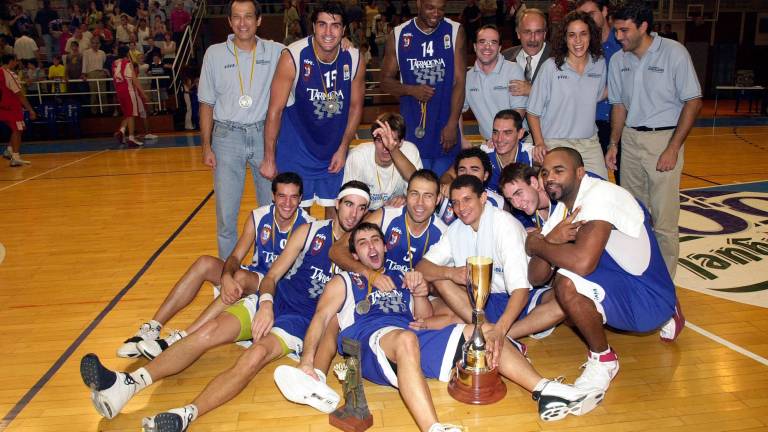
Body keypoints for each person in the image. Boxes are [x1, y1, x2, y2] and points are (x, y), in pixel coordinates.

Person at [79, 181, 371, 432]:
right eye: (348, 204)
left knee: (254, 356)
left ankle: (186, 414)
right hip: (273, 301)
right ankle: (126, 385)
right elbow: (271, 276)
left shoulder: (368, 249)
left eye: (360, 208)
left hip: (298, 325)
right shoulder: (310, 231)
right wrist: (266, 304)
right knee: (208, 332)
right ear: (337, 203)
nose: (353, 213)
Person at [291, 223, 604, 430]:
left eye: (375, 241)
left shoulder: (402, 280)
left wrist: (418, 292)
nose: (370, 247)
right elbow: (320, 321)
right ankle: (433, 427)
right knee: (405, 340)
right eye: (362, 243)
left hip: (408, 337)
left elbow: (423, 317)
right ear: (355, 253)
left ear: (385, 248)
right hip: (367, 341)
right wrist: (307, 363)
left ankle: (544, 390)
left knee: (479, 331)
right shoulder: (344, 280)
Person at [525, 147, 684, 397]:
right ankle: (668, 310)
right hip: (624, 280)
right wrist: (550, 240)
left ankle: (603, 359)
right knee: (562, 282)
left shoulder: (600, 195)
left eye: (559, 170)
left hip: (648, 296)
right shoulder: (564, 209)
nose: (549, 178)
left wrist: (540, 244)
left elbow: (582, 263)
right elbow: (535, 276)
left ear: (580, 173)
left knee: (567, 280)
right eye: (545, 173)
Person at [116, 173, 312, 359]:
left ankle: (181, 338)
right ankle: (152, 327)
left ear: (301, 198)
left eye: (293, 197)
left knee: (241, 277)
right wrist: (226, 277)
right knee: (205, 263)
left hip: (279, 290)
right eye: (282, 196)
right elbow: (235, 256)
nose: (287, 203)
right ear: (273, 196)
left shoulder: (308, 227)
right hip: (253, 277)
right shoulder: (259, 216)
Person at [606, 1, 702, 277]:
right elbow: (619, 105)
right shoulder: (618, 60)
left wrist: (673, 147)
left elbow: (693, 102)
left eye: (624, 30)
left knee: (664, 221)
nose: (618, 37)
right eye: (616, 30)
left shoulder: (674, 53)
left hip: (664, 140)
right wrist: (614, 144)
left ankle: (666, 285)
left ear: (644, 26)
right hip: (631, 141)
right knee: (632, 218)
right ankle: (640, 277)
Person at [416, 175, 556, 342]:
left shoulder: (505, 225)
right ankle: (486, 329)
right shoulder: (454, 229)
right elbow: (422, 267)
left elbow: (521, 290)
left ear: (483, 198)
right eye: (455, 202)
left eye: (467, 199)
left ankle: (498, 335)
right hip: (481, 303)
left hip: (519, 298)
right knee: (441, 278)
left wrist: (501, 329)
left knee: (561, 302)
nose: (461, 207)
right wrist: (450, 273)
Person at [197, 0, 285, 259]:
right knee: (226, 215)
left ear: (258, 20)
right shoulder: (214, 54)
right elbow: (206, 103)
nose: (242, 23)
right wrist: (205, 145)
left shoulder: (276, 51)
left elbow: (310, 50)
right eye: (237, 17)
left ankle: (267, 269)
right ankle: (227, 274)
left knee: (270, 210)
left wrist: (344, 44)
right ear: (229, 21)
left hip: (263, 137)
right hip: (226, 138)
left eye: (248, 17)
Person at [262, 1, 365, 219]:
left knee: (336, 215)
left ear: (344, 30)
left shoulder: (354, 58)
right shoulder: (293, 57)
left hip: (333, 148)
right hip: (297, 148)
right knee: (299, 217)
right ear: (313, 27)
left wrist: (343, 147)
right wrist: (269, 158)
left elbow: (356, 107)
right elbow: (274, 111)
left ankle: (329, 254)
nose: (328, 32)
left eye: (335, 25)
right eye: (322, 25)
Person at [380, 0, 467, 175]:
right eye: (430, 8)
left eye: (441, 9)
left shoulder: (455, 31)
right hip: (412, 129)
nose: (436, 13)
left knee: (445, 189)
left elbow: (460, 82)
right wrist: (411, 90)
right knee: (417, 189)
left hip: (445, 129)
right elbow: (384, 81)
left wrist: (452, 124)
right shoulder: (399, 34)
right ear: (418, 4)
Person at [526, 11, 608, 179]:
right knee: (561, 195)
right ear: (565, 38)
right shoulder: (551, 67)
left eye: (583, 34)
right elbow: (533, 113)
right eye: (572, 35)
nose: (578, 41)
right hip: (555, 143)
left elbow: (598, 95)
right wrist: (540, 143)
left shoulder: (599, 64)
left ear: (591, 36)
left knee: (601, 191)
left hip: (589, 144)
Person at [330, 169, 446, 284]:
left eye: (428, 196)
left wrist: (425, 287)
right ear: (406, 194)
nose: (420, 202)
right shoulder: (386, 215)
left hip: (412, 296)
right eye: (414, 194)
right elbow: (336, 250)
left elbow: (440, 285)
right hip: (375, 288)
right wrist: (369, 275)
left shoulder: (443, 233)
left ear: (438, 199)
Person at [576, 0, 622, 183]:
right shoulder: (580, 47)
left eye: (591, 13)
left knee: (624, 181)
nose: (588, 19)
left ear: (604, 11)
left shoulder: (622, 44)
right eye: (583, 15)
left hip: (620, 122)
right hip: (590, 124)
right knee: (591, 183)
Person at [342, 113, 422, 210]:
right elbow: (348, 201)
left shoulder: (410, 151)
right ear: (373, 140)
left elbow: (419, 183)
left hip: (396, 210)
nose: (385, 147)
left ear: (401, 142)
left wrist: (406, 198)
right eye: (380, 140)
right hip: (365, 213)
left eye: (392, 140)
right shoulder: (358, 156)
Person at [463, 25, 527, 142]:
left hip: (517, 141)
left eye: (493, 42)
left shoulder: (513, 70)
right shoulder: (468, 77)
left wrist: (500, 138)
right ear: (475, 46)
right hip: (490, 144)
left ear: (499, 48)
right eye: (482, 42)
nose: (487, 47)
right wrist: (462, 139)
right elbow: (456, 111)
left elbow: (519, 111)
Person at [436, 147, 505, 225]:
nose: (467, 174)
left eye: (474, 170)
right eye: (462, 170)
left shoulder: (498, 202)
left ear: (485, 175)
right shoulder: (443, 194)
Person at [501, 8, 550, 97]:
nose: (532, 39)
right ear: (518, 33)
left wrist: (533, 91)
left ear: (545, 34)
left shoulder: (559, 59)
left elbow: (567, 98)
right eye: (527, 32)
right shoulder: (504, 57)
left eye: (538, 32)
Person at [0, 54, 37, 167]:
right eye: (16, 61)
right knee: (17, 129)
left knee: (18, 129)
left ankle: (10, 150)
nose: (17, 64)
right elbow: (19, 94)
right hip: (11, 107)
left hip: (3, 106)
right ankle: (15, 157)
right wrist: (30, 110)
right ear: (11, 61)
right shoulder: (9, 74)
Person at [499, 162, 554, 230]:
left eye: (518, 193)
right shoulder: (533, 207)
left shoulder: (564, 200)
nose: (516, 204)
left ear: (534, 183)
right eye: (510, 199)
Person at [112, 45, 148, 147]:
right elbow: (134, 80)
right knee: (131, 114)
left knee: (127, 113)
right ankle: (131, 138)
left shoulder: (114, 63)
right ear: (128, 53)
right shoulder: (127, 63)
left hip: (119, 91)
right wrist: (143, 93)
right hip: (128, 90)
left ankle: (122, 131)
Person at [81, 37, 108, 115]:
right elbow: (84, 64)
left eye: (97, 43)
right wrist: (83, 74)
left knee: (103, 92)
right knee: (94, 93)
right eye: (93, 43)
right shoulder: (86, 52)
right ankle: (94, 111)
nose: (95, 44)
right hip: (92, 73)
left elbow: (104, 63)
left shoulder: (102, 52)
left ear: (99, 44)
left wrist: (105, 71)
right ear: (91, 44)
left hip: (101, 73)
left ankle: (105, 110)